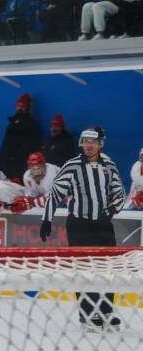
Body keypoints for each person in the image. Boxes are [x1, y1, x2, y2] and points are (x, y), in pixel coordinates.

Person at [41, 127, 127, 331]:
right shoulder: (72, 166)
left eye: (93, 142)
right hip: (79, 225)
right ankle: (87, 314)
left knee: (108, 269)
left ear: (100, 144)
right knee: (83, 269)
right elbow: (55, 193)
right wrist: (47, 219)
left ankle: (105, 311)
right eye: (85, 141)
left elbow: (119, 192)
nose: (89, 145)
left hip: (104, 225)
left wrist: (112, 210)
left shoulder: (109, 164)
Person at [0, 93, 43, 182]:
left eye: (23, 106)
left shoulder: (32, 125)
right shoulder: (11, 124)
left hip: (21, 167)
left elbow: (32, 148)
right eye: (18, 105)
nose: (20, 108)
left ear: (28, 108)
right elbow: (4, 145)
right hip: (7, 165)